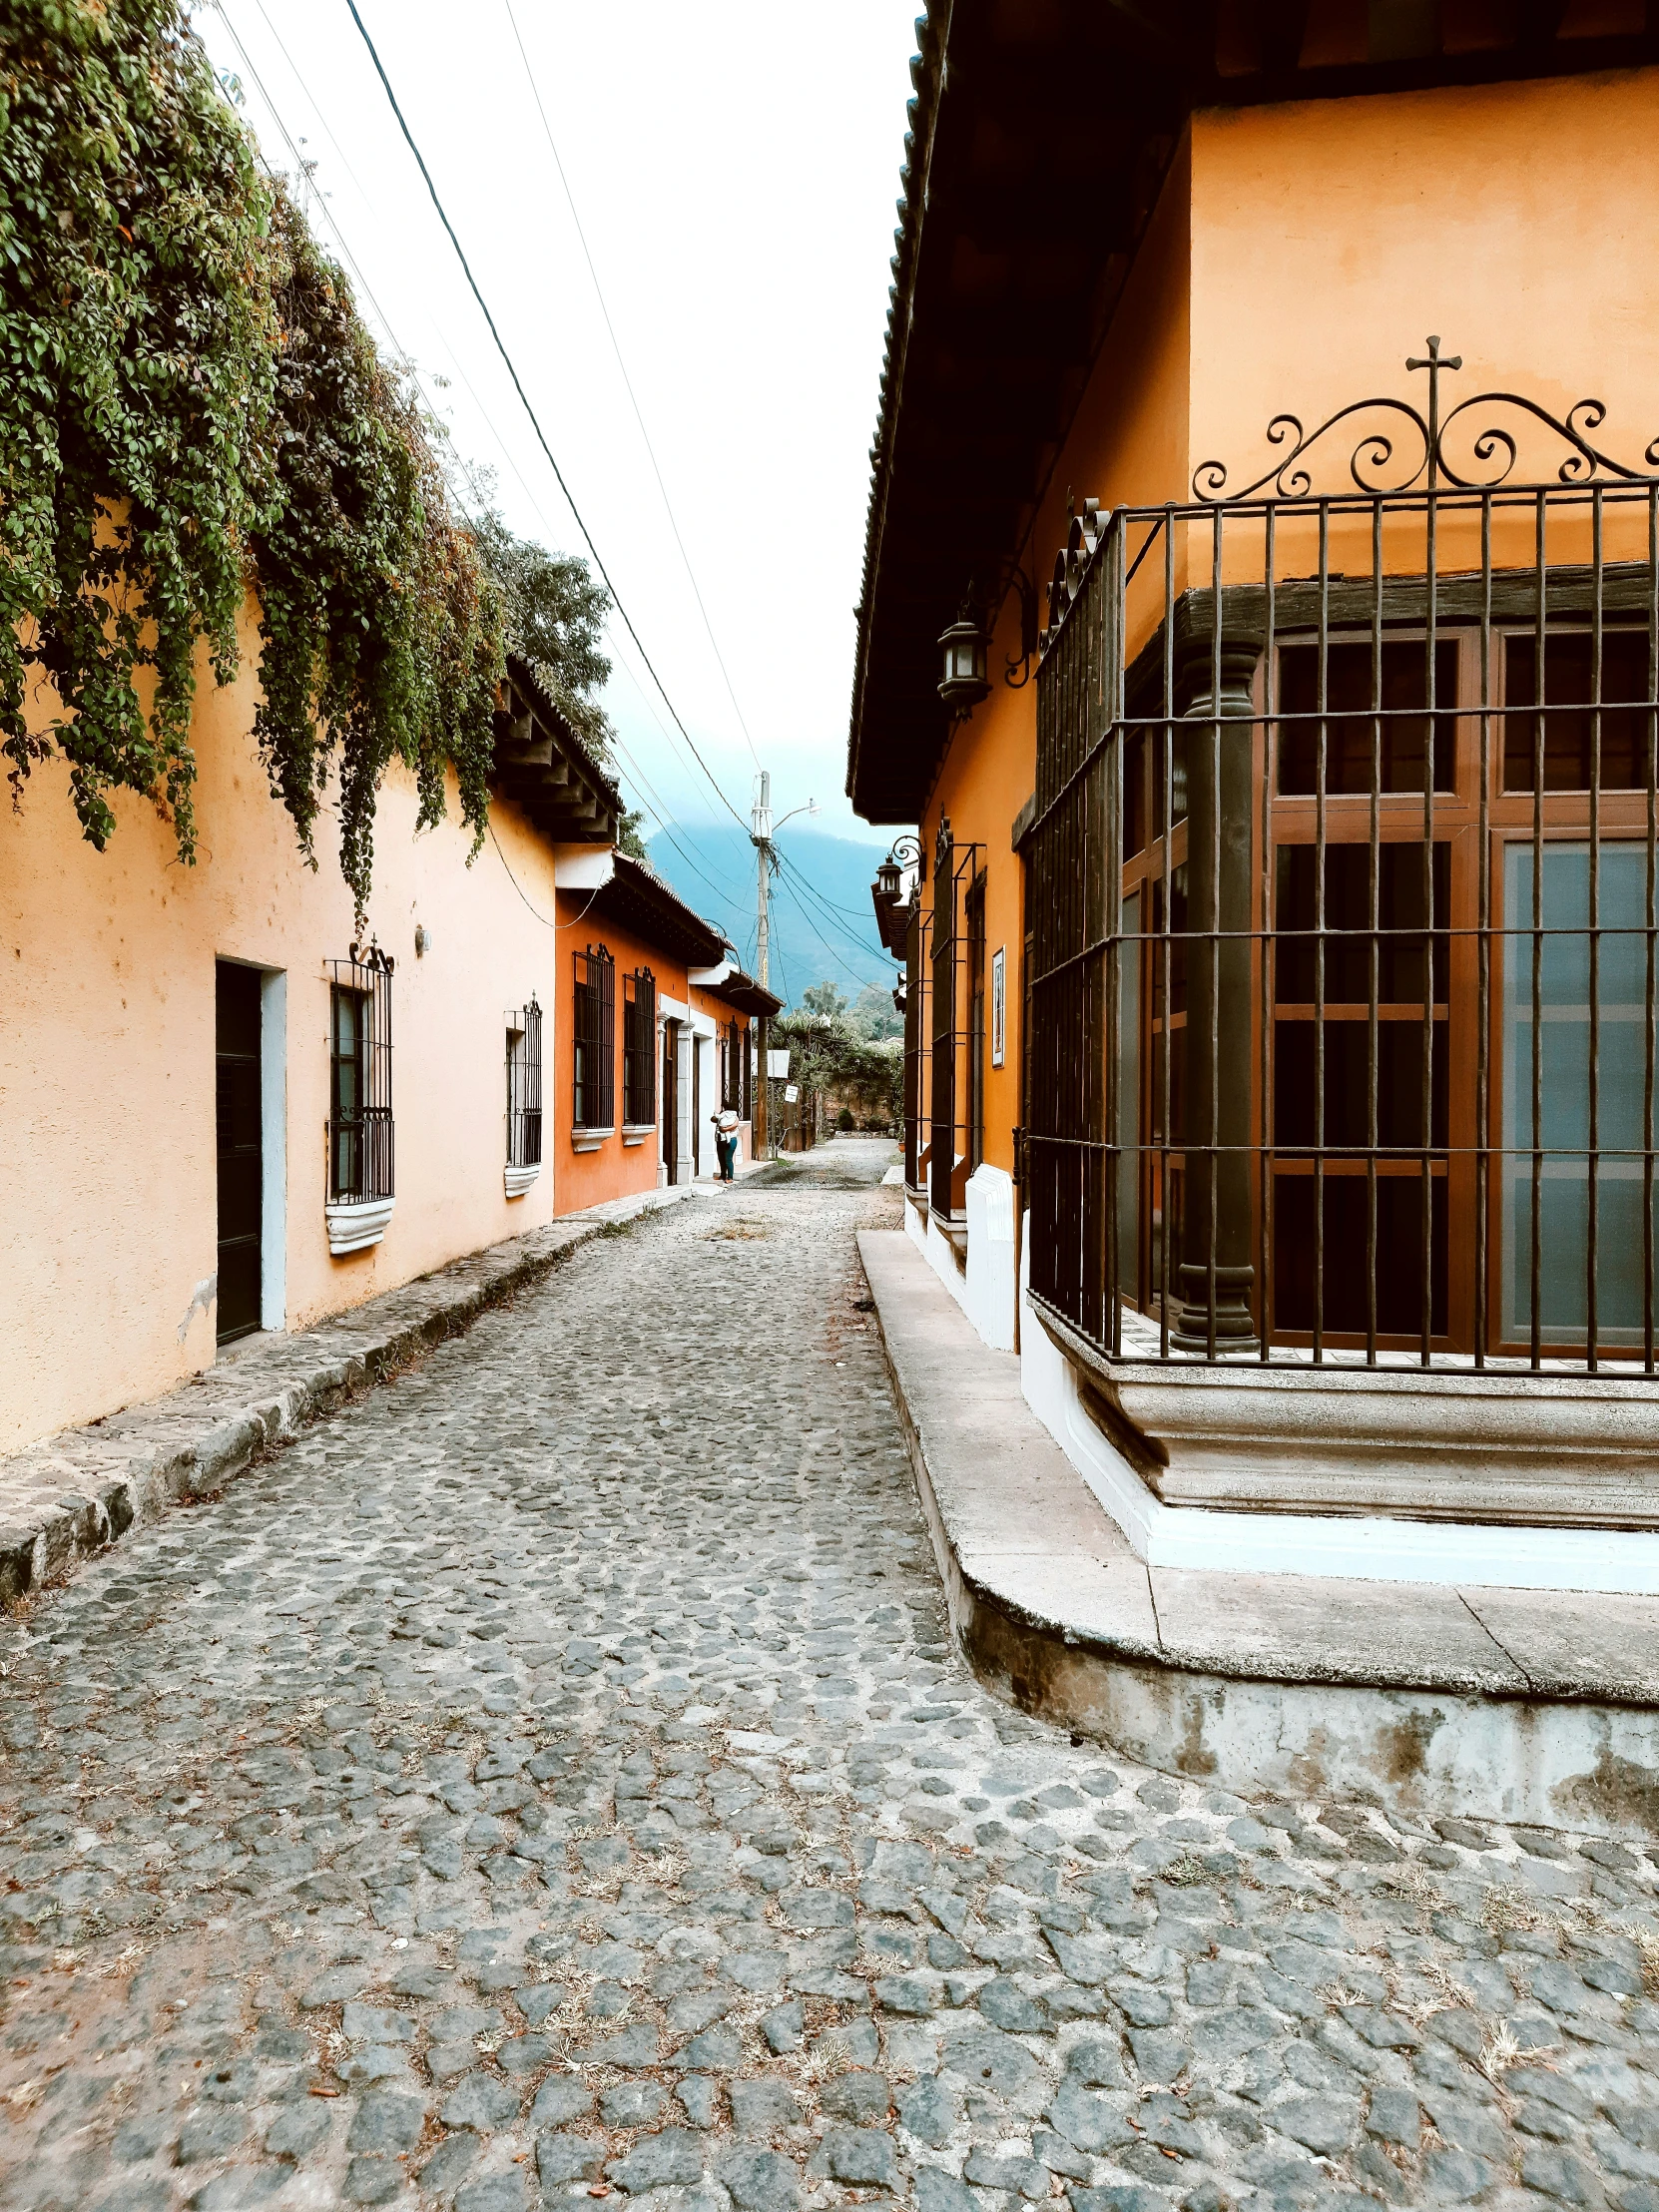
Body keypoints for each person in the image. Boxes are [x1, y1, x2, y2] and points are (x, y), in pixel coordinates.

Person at [711, 1102, 741, 1184]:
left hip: (730, 1139)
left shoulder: (734, 1117)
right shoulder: (722, 1116)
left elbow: (735, 1125)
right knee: (721, 1159)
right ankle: (723, 1175)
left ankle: (730, 1177)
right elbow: (712, 1119)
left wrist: (725, 1129)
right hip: (720, 1140)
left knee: (728, 1159)